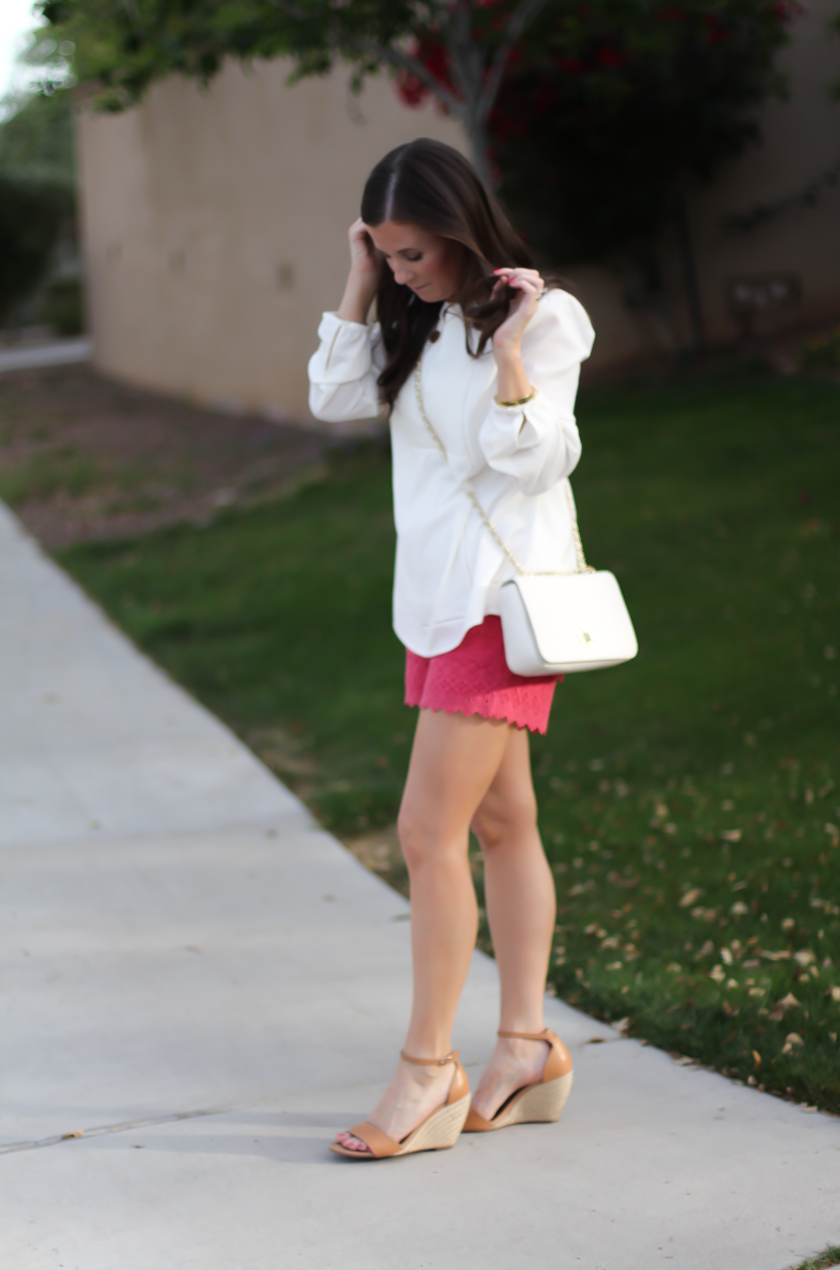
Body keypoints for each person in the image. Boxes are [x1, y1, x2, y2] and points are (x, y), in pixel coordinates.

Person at [308, 138, 595, 1161]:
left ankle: (430, 1069)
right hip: (432, 603)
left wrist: (511, 350)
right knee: (503, 825)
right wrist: (359, 278)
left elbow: (541, 459)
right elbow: (334, 400)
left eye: (412, 255)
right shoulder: (416, 323)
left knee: (426, 831)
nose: (400, 272)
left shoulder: (545, 318)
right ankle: (527, 1049)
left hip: (498, 605)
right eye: (385, 255)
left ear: (462, 235)